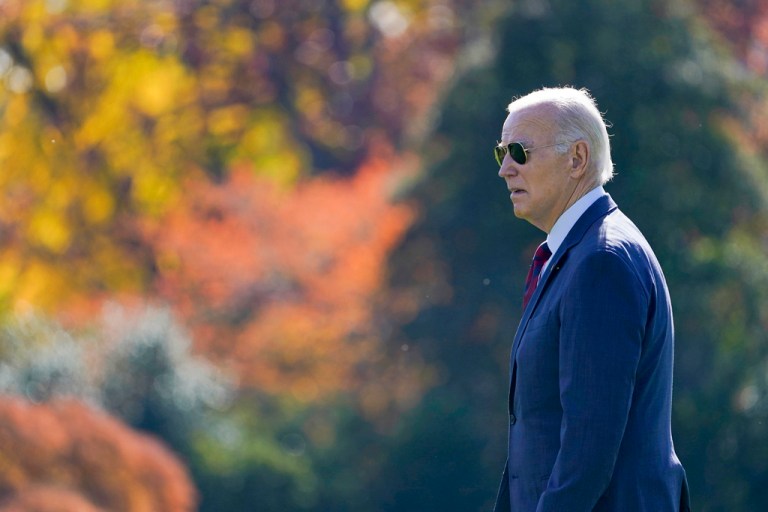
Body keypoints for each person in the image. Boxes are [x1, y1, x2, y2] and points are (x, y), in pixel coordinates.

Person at [492, 87, 690, 512]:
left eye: (519, 151)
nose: (506, 169)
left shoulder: (600, 261)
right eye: (501, 154)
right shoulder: (580, 254)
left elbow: (588, 448)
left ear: (577, 158)